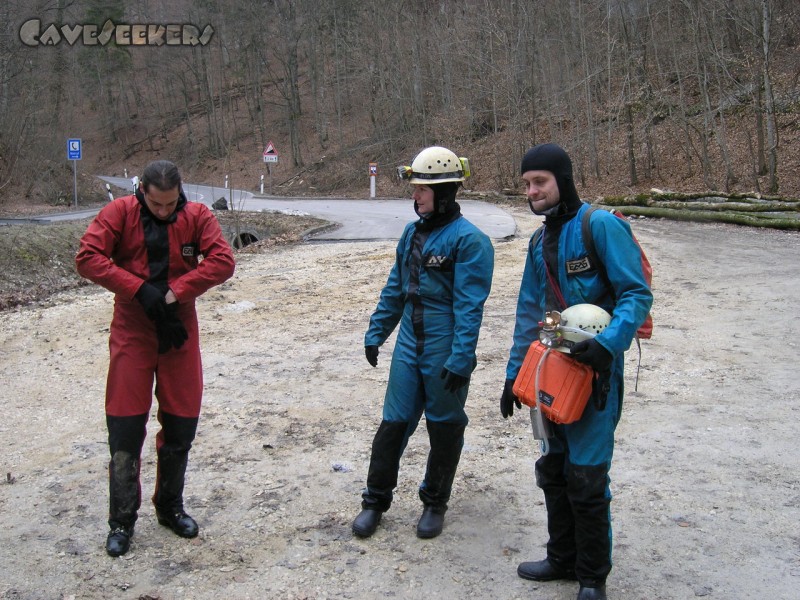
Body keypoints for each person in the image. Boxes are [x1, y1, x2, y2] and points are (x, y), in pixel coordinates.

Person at [500, 143, 652, 600]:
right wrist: (513, 376)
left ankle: (591, 578)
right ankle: (561, 557)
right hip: (550, 372)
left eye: (540, 182)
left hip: (596, 373)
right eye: (526, 184)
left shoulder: (599, 226)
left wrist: (608, 344)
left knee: (586, 476)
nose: (532, 191)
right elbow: (530, 310)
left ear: (563, 180)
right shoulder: (536, 242)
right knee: (552, 467)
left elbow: (635, 293)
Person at [76, 160, 235, 557]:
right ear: (141, 192)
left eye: (170, 204)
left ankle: (169, 507)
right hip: (133, 326)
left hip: (179, 327)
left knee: (181, 422)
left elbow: (222, 261)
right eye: (156, 204)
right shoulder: (119, 213)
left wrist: (174, 291)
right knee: (126, 425)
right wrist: (137, 288)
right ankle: (121, 521)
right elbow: (88, 257)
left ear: (180, 192)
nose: (164, 211)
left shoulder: (197, 215)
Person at [352, 146, 494, 540]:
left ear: (445, 192)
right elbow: (395, 289)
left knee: (444, 427)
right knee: (393, 424)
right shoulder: (411, 234)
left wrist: (461, 357)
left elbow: (470, 307)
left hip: (446, 345)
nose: (414, 197)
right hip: (410, 344)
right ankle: (374, 501)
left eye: (421, 190)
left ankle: (435, 502)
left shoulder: (471, 241)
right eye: (414, 189)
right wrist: (376, 332)